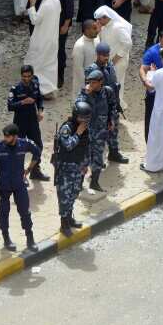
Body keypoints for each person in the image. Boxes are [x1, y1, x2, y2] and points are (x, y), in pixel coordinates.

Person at [0, 123, 41, 251]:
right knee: (3, 212)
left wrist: (28, 169)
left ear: (15, 136)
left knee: (25, 211)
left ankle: (30, 238)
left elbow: (37, 152)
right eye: (5, 136)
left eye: (8, 137)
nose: (5, 139)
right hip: (3, 185)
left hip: (19, 183)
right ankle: (6, 238)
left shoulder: (24, 144)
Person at [52, 101, 91, 236]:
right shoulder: (67, 128)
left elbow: (86, 147)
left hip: (78, 168)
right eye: (82, 118)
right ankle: (64, 224)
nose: (84, 121)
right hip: (65, 169)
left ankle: (69, 218)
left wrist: (86, 164)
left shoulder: (85, 128)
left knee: (74, 194)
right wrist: (78, 133)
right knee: (65, 197)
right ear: (76, 115)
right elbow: (68, 145)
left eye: (86, 118)